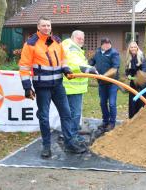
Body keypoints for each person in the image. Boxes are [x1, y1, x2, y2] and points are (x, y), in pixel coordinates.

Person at [18, 16, 87, 158]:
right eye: (43, 26)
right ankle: (46, 146)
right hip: (42, 87)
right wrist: (27, 87)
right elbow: (24, 66)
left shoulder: (55, 41)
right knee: (44, 117)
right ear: (38, 27)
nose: (46, 28)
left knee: (66, 114)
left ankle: (69, 143)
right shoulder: (31, 44)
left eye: (48, 25)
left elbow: (63, 59)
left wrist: (66, 69)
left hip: (58, 86)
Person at [62, 30, 98, 133]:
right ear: (73, 37)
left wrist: (90, 69)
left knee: (72, 113)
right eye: (79, 38)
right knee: (75, 113)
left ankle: (71, 133)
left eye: (83, 38)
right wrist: (89, 69)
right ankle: (72, 135)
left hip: (74, 87)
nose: (81, 40)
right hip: (72, 88)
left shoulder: (75, 48)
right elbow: (74, 63)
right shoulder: (71, 48)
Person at [89, 37, 121, 137]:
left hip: (112, 82)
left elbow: (115, 67)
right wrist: (89, 67)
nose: (107, 45)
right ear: (101, 45)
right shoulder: (98, 52)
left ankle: (112, 123)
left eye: (108, 43)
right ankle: (105, 121)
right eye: (105, 44)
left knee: (111, 104)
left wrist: (105, 76)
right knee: (102, 103)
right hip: (102, 83)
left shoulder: (114, 53)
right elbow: (91, 61)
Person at [125, 41, 146, 118]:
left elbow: (144, 69)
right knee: (133, 102)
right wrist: (128, 75)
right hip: (133, 84)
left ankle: (143, 119)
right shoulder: (129, 58)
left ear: (137, 48)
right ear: (129, 49)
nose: (133, 49)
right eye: (131, 47)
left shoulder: (141, 56)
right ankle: (132, 119)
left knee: (142, 102)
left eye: (134, 47)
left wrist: (138, 76)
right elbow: (127, 70)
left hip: (142, 83)